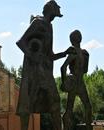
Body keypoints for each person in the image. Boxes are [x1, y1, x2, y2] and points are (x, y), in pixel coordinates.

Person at [16, 1, 67, 130]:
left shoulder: (50, 26)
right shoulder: (38, 22)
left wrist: (64, 53)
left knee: (55, 101)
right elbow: (20, 42)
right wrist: (32, 56)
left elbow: (49, 54)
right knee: (27, 104)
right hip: (33, 71)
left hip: (45, 71)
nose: (57, 13)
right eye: (56, 9)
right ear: (51, 10)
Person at [61, 30, 92, 130]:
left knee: (88, 106)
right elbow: (63, 67)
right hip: (74, 82)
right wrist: (65, 82)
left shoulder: (84, 53)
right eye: (77, 36)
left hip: (80, 82)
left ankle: (88, 126)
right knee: (69, 109)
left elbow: (85, 70)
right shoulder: (73, 52)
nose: (79, 37)